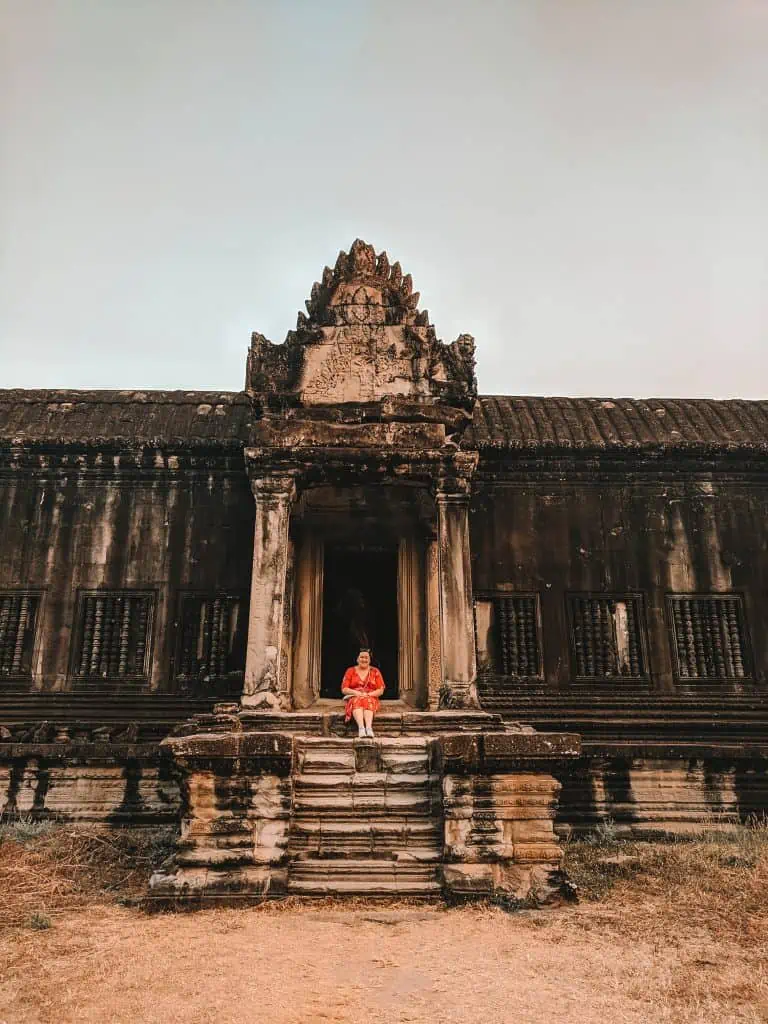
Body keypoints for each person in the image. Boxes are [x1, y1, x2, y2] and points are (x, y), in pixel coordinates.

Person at [341, 648, 385, 738]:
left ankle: (368, 728)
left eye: (366, 658)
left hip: (371, 696)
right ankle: (361, 728)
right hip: (355, 696)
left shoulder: (375, 671)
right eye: (361, 657)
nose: (364, 660)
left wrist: (368, 694)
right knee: (357, 701)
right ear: (357, 659)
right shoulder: (350, 671)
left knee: (368, 701)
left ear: (369, 660)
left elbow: (381, 690)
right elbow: (344, 689)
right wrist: (356, 692)